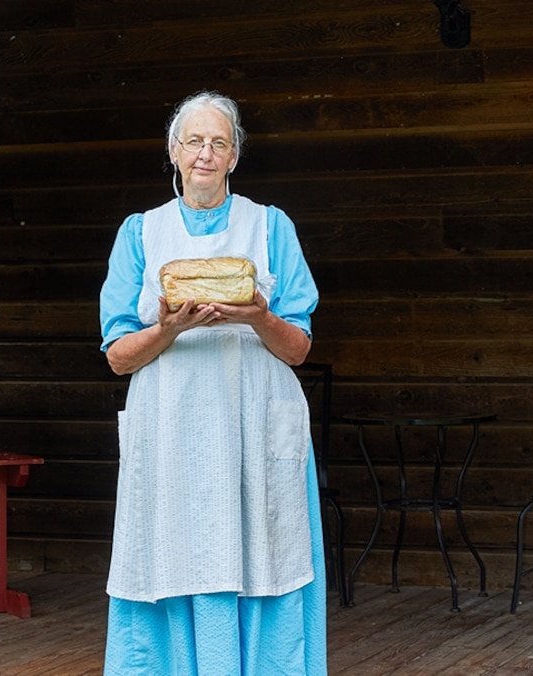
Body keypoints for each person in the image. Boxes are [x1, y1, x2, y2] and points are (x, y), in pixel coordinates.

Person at [99, 90, 326, 675]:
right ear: (174, 152)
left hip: (254, 424)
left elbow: (298, 348)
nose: (205, 153)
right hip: (172, 428)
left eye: (218, 143)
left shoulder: (270, 227)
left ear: (234, 157)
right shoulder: (141, 234)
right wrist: (168, 328)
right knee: (171, 553)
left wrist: (259, 316)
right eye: (194, 141)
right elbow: (119, 358)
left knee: (262, 555)